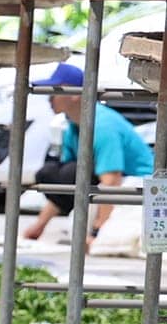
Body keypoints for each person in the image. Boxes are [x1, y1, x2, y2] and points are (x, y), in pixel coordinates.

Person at [24, 63, 155, 249]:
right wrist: (39, 227)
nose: (49, 96)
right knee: (53, 173)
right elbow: (66, 182)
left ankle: (100, 230)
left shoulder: (101, 126)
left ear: (75, 94)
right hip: (106, 184)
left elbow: (112, 182)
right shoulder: (72, 126)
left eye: (55, 90)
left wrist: (97, 232)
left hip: (135, 185)